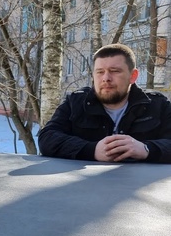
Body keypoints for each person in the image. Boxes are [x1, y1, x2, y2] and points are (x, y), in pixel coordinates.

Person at [38, 43, 171, 163]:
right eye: (100, 72)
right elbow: (47, 138)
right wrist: (91, 150)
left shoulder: (158, 106)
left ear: (133, 75)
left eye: (115, 71)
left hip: (142, 187)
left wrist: (146, 149)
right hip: (83, 187)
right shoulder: (76, 103)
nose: (106, 78)